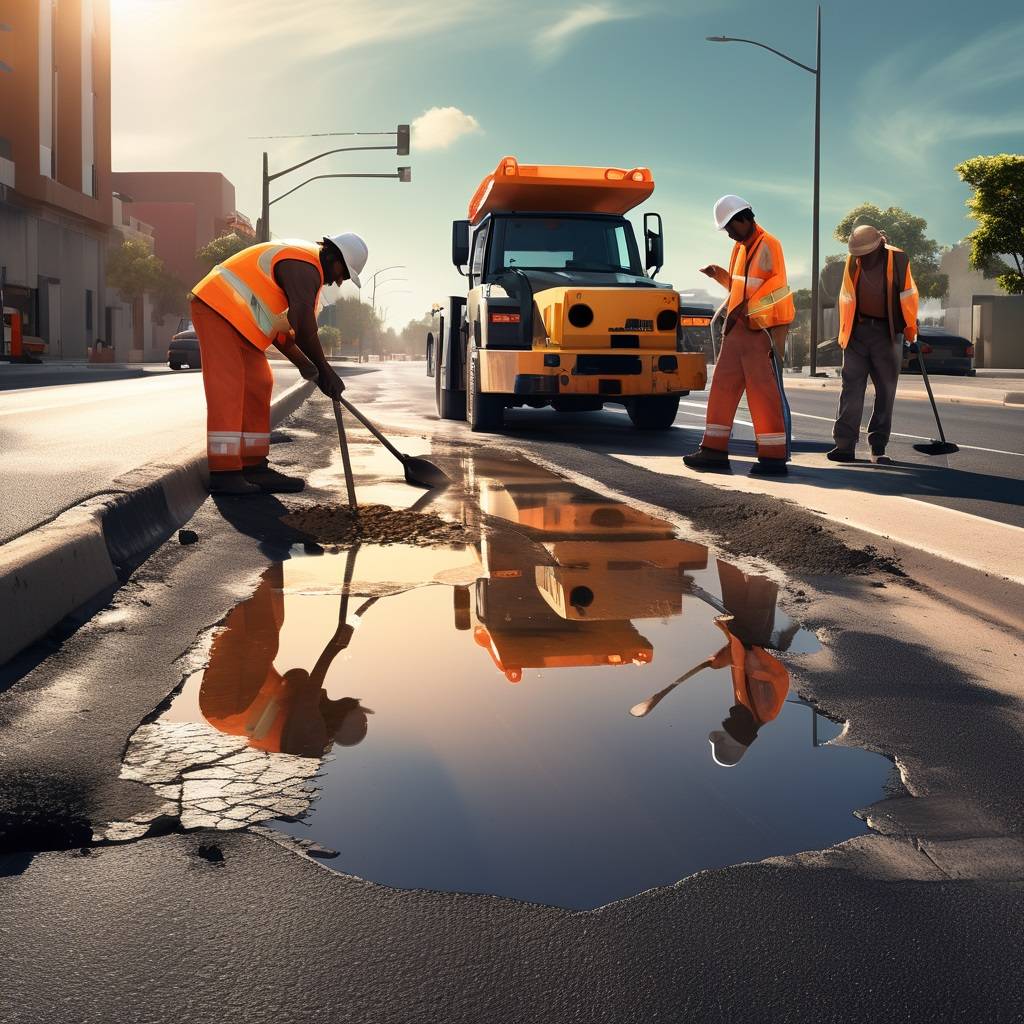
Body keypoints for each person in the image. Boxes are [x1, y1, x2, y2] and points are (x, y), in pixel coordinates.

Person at [190, 232, 369, 495]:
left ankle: (254, 466)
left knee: (260, 383)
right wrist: (326, 370)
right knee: (229, 387)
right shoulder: (304, 265)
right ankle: (224, 472)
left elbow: (282, 331)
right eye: (345, 273)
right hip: (216, 308)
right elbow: (305, 326)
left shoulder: (309, 275)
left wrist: (309, 368)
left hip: (239, 321)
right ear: (334, 256)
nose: (341, 282)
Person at [684, 195, 795, 476]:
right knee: (721, 389)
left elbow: (778, 290)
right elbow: (740, 288)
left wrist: (750, 315)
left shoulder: (769, 244)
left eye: (730, 226)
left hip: (760, 331)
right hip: (736, 331)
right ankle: (713, 451)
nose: (729, 233)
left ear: (744, 219)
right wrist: (721, 276)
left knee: (763, 394)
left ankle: (772, 459)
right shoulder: (740, 249)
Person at [828, 224, 920, 464]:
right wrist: (844, 333)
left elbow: (908, 295)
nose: (861, 259)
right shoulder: (851, 261)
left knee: (886, 391)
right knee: (851, 389)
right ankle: (844, 446)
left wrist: (910, 330)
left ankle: (878, 448)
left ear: (879, 245)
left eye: (865, 254)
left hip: (887, 334)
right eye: (858, 255)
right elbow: (845, 297)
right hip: (857, 332)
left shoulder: (898, 259)